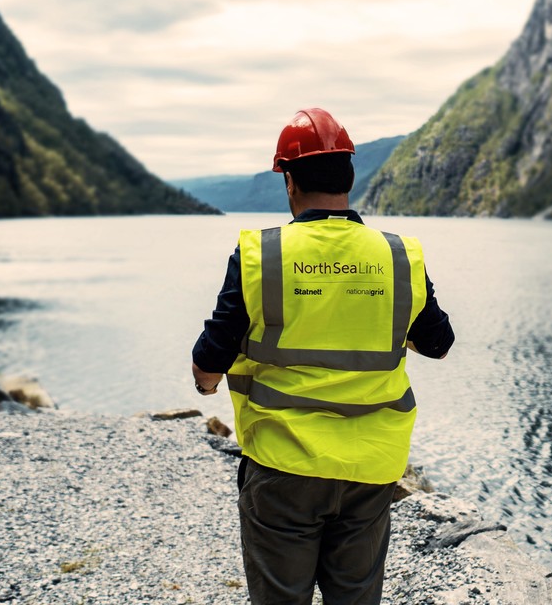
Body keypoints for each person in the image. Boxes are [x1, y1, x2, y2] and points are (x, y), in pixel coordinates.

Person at [190, 107, 455, 605]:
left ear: (288, 181)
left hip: (282, 464)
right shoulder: (399, 256)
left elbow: (210, 361)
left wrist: (206, 388)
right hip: (372, 467)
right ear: (350, 177)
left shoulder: (259, 255)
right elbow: (438, 344)